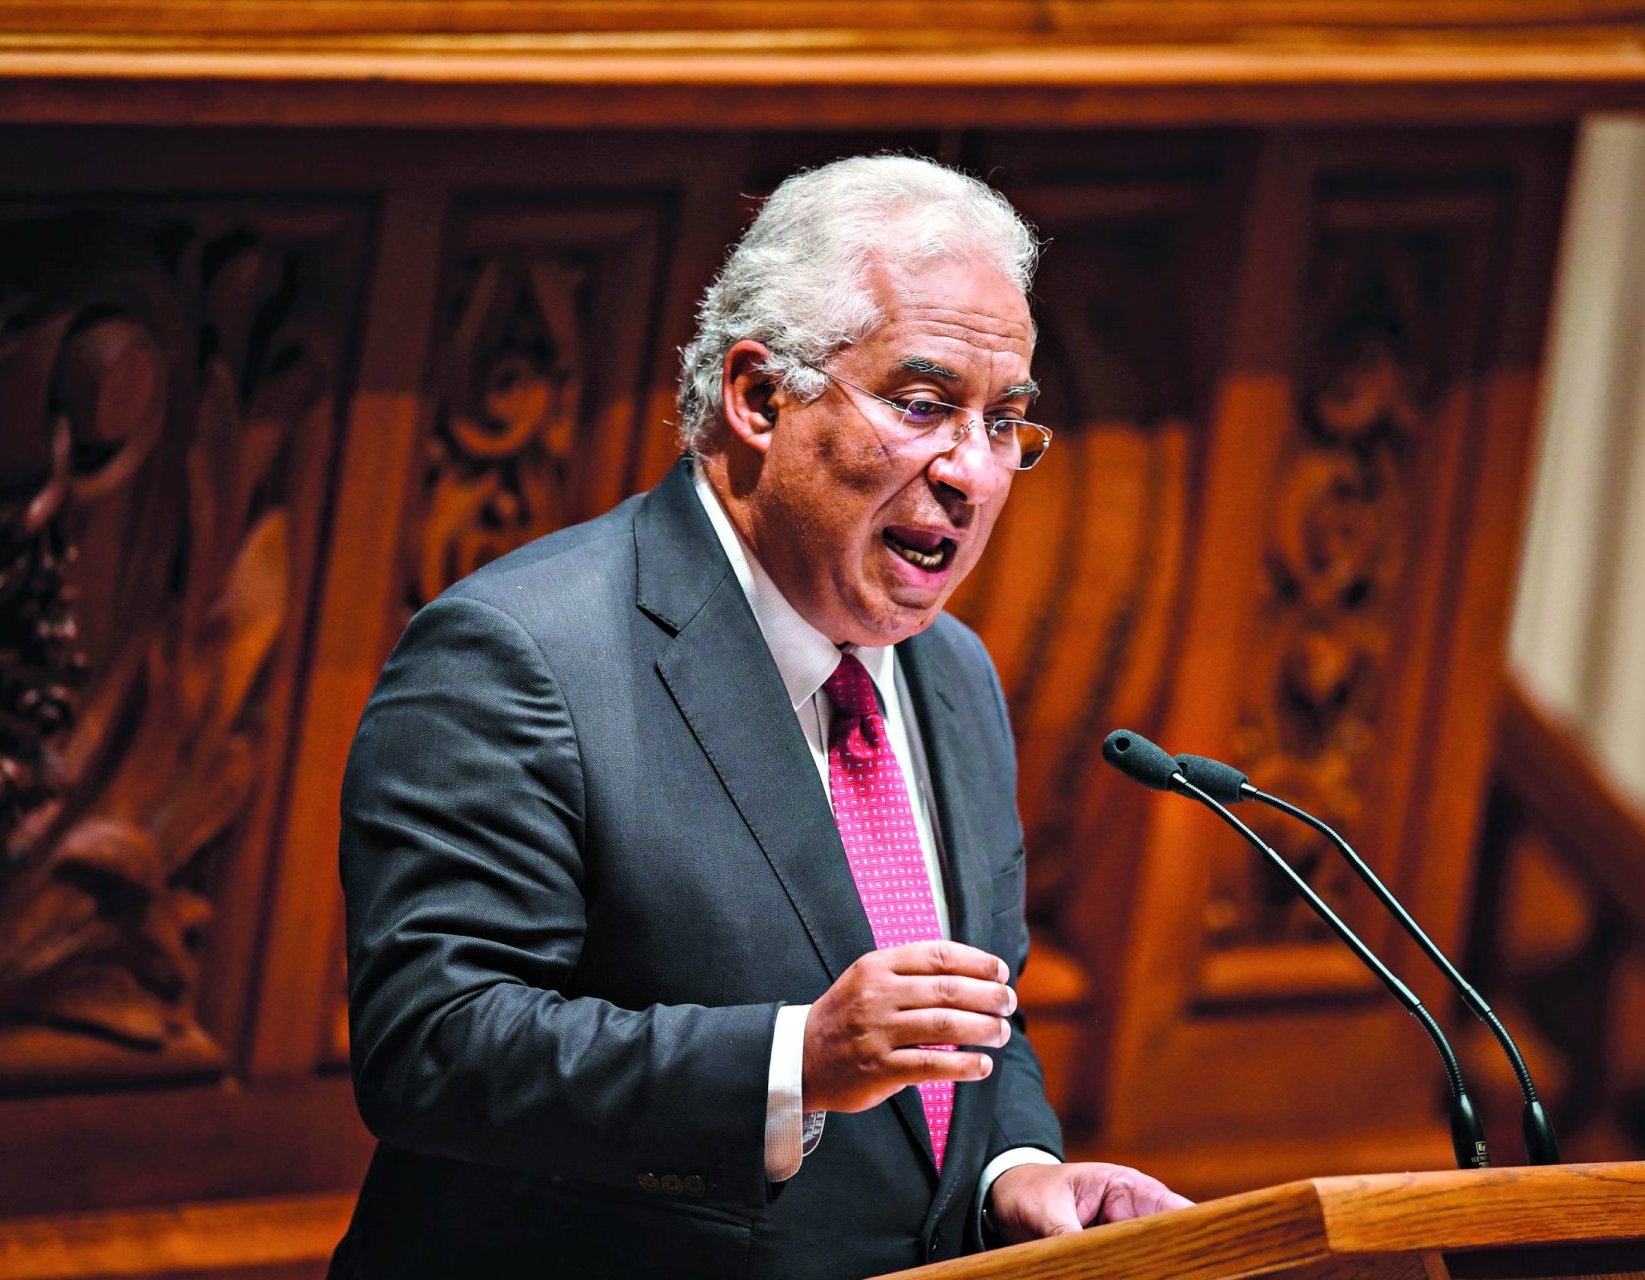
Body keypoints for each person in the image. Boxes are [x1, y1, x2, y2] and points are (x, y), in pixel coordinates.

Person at [329, 155, 1189, 1280]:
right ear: (757, 395)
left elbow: (976, 1017)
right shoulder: (520, 653)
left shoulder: (953, 675)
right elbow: (433, 1045)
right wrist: (793, 1058)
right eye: (925, 405)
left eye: (1004, 421)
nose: (973, 472)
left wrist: (1013, 1171)